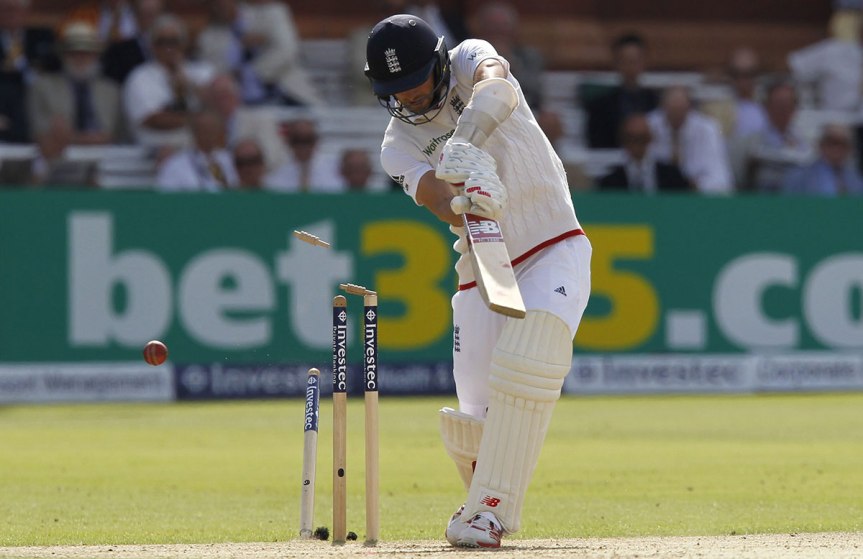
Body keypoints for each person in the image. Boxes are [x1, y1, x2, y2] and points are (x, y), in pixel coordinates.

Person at [364, 14, 591, 548]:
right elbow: (437, 201)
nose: (413, 102)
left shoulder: (468, 59)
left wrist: (467, 139)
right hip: (484, 259)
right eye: (400, 95)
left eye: (418, 87)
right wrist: (467, 201)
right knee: (475, 415)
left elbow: (498, 85)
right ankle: (485, 502)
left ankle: (488, 511)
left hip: (553, 240)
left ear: (439, 63)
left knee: (529, 360)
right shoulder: (396, 145)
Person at [123, 14, 214, 149]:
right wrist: (196, 120)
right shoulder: (139, 77)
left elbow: (218, 110)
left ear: (184, 43)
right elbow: (152, 120)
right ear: (152, 46)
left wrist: (190, 87)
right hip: (159, 150)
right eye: (162, 42)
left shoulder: (202, 71)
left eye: (173, 41)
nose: (168, 48)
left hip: (201, 149)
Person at [27, 21, 124, 145]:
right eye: (74, 53)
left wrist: (104, 139)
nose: (80, 58)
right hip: (60, 157)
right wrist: (84, 140)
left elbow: (122, 133)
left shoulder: (111, 90)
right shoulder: (42, 87)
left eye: (87, 53)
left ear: (96, 56)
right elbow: (39, 131)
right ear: (63, 55)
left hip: (108, 157)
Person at [647, 85, 733, 194]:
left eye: (680, 110)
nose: (676, 116)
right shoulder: (648, 126)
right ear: (663, 107)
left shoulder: (708, 129)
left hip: (696, 196)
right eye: (672, 111)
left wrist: (696, 186)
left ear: (689, 108)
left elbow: (721, 179)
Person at [584, 32, 659, 149]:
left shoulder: (656, 103)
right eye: (626, 61)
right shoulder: (599, 107)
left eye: (635, 61)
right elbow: (597, 145)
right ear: (616, 63)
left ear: (644, 63)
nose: (631, 67)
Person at [598, 113, 691, 193]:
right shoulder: (609, 183)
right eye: (631, 139)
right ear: (623, 141)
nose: (636, 145)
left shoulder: (672, 177)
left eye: (642, 139)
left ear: (650, 139)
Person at [155, 110, 238, 191]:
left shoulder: (231, 160)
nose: (208, 135)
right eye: (204, 130)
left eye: (213, 129)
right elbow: (165, 194)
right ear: (194, 132)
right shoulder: (175, 164)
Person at [782, 123, 863, 196]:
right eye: (831, 142)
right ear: (820, 145)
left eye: (843, 144)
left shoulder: (857, 179)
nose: (836, 148)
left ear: (849, 149)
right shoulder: (798, 177)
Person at [264, 118, 342, 192]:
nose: (303, 146)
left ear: (316, 141)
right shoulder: (276, 172)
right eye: (297, 140)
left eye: (308, 140)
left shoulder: (334, 170)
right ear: (288, 142)